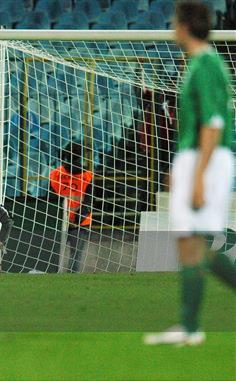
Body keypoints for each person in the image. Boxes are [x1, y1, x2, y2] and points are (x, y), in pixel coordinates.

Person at [144, 2, 235, 346]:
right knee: (188, 241)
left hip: (207, 160)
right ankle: (189, 327)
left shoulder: (209, 64)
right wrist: (179, 168)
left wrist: (197, 175)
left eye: (174, 21)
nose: (171, 25)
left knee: (195, 241)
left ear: (184, 25)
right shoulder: (197, 64)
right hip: (194, 158)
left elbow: (213, 124)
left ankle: (189, 325)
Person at [49, 143, 93, 273]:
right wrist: (76, 220)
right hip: (80, 222)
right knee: (75, 256)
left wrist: (64, 218)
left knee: (52, 254)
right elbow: (88, 203)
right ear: (81, 156)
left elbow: (51, 200)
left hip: (60, 220)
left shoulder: (55, 174)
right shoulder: (88, 176)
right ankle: (72, 281)